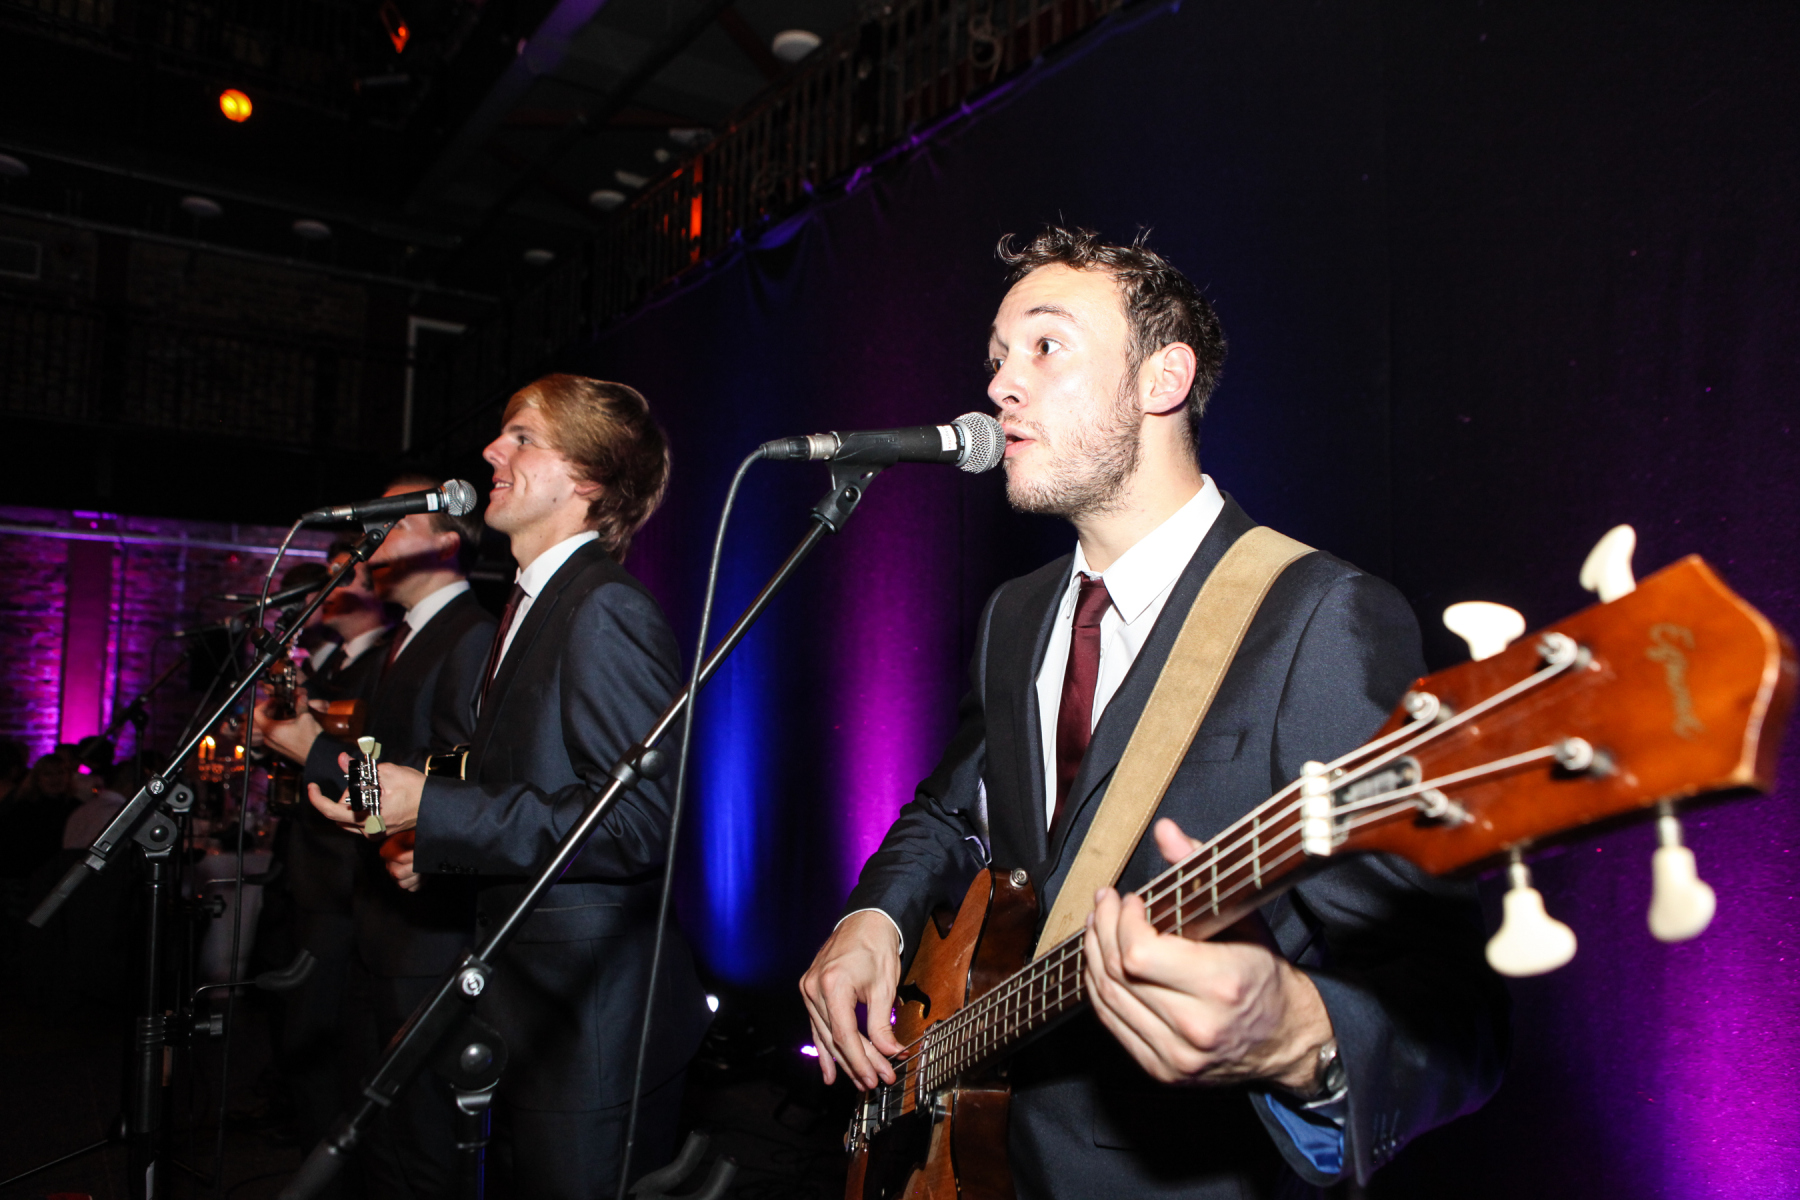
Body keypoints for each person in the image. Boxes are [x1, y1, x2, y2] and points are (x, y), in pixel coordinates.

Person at [799, 227, 1508, 1198]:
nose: (1001, 385)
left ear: (1162, 379)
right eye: (998, 357)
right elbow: (952, 804)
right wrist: (875, 916)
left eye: (1046, 346)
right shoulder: (1017, 614)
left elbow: (1457, 1016)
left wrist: (1301, 1037)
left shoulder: (1317, 619)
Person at [308, 374, 712, 1199]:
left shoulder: (603, 607)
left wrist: (433, 807)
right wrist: (435, 842)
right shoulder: (532, 604)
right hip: (540, 1009)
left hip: (594, 1026)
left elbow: (639, 822)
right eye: (503, 433)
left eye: (523, 437)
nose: (493, 449)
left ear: (587, 477)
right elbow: (536, 786)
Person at [259, 474, 495, 1199]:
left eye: (395, 521)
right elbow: (389, 773)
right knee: (382, 1134)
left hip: (424, 933)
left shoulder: (469, 634)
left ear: (447, 540)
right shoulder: (410, 637)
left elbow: (447, 781)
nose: (374, 536)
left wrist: (312, 752)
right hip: (382, 923)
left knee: (421, 1143)